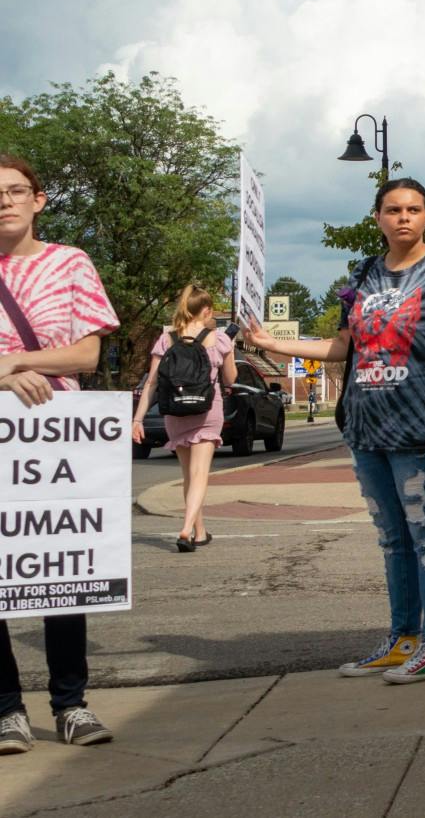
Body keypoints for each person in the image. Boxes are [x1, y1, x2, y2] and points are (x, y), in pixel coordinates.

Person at [243, 177, 425, 685]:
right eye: (393, 209)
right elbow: (342, 347)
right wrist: (272, 344)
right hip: (367, 427)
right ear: (377, 217)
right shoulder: (364, 273)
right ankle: (403, 639)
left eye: (414, 210)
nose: (403, 218)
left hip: (421, 429)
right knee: (393, 540)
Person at [0, 154, 120, 752]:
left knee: (60, 570)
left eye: (16, 190)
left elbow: (85, 357)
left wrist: (16, 363)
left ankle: (70, 704)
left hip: (57, 435)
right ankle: (6, 710)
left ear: (38, 200)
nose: (5, 201)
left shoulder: (70, 263)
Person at [131, 284, 239, 551]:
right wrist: (231, 350)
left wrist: (137, 419)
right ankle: (186, 528)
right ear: (206, 310)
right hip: (206, 409)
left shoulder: (166, 339)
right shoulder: (219, 339)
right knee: (200, 474)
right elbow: (231, 379)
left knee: (188, 476)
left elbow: (152, 383)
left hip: (175, 411)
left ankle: (199, 532)